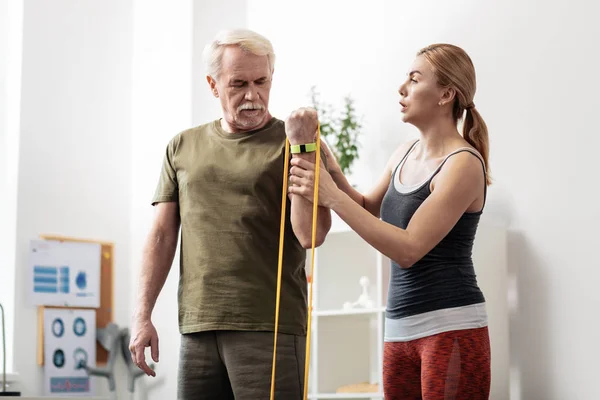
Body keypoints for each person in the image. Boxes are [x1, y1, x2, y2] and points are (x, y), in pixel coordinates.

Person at [128, 28, 332, 399]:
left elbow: (312, 235)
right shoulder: (182, 146)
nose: (252, 95)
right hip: (197, 326)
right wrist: (142, 316)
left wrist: (304, 146)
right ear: (213, 85)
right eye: (238, 83)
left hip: (269, 326)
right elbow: (160, 236)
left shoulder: (296, 140)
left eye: (262, 81)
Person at [288, 43, 491, 399]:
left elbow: (409, 248)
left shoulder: (463, 164)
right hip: (398, 329)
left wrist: (332, 196)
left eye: (414, 79)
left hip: (450, 328)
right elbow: (367, 209)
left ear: (446, 94)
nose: (402, 89)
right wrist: (330, 166)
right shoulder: (404, 153)